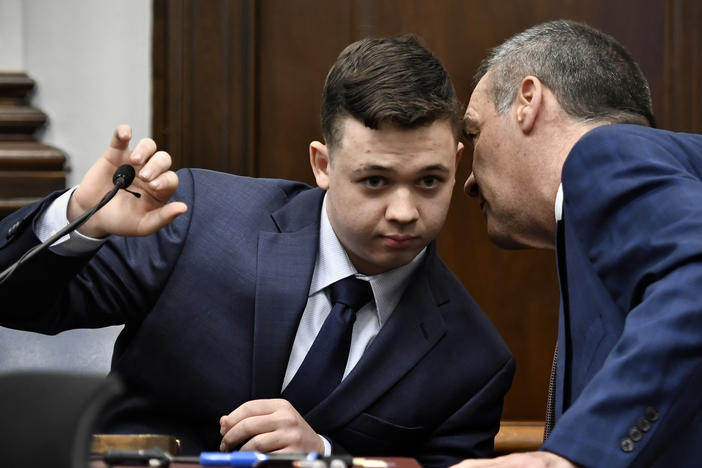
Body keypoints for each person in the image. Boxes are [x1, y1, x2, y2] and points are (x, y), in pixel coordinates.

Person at [0, 35, 514, 467]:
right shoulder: (199, 220)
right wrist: (79, 218)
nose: (404, 211)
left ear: (455, 161)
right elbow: (17, 302)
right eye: (375, 180)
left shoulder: (473, 361)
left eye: (429, 180)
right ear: (323, 164)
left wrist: (327, 456)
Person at [451, 19, 702, 468]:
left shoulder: (605, 154)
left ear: (528, 101)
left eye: (474, 134)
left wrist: (567, 457)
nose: (468, 181)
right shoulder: (614, 208)